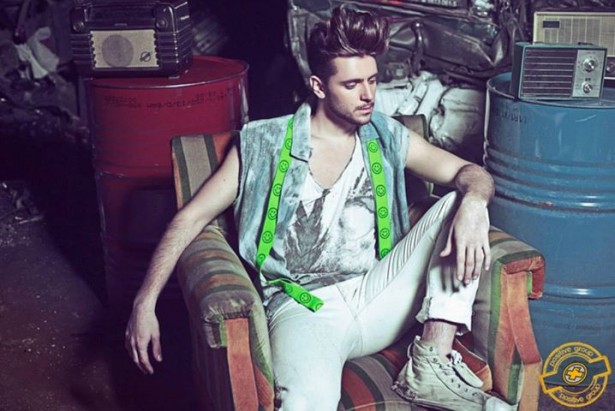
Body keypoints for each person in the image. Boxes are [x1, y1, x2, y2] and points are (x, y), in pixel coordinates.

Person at [125, 5, 513, 411]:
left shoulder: (386, 135)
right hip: (303, 309)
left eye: (373, 80)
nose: (368, 95)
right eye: (352, 84)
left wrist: (474, 203)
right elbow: (191, 216)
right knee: (306, 404)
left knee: (459, 201)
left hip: (377, 294)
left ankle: (431, 363)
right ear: (319, 85)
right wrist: (144, 303)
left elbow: (470, 173)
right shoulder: (263, 143)